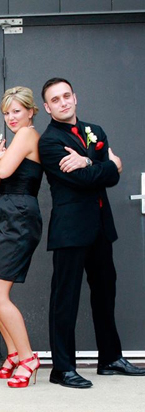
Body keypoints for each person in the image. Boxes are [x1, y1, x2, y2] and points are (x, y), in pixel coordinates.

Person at [39, 77, 145, 388]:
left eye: (66, 96)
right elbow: (87, 178)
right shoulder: (49, 142)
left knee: (105, 293)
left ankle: (110, 358)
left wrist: (87, 161)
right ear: (47, 108)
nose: (63, 102)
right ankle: (62, 369)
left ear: (75, 97)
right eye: (55, 99)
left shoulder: (95, 131)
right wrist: (105, 165)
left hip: (100, 226)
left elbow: (109, 177)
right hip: (70, 229)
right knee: (65, 299)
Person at [0, 87, 43, 388]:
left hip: (19, 217)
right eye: (6, 112)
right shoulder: (16, 141)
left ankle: (28, 357)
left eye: (16, 111)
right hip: (3, 215)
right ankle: (14, 352)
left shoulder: (28, 135)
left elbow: (2, 170)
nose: (11, 117)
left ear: (30, 111)